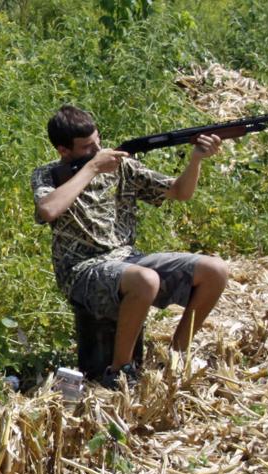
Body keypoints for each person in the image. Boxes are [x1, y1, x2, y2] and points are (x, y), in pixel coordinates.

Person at [30, 105, 230, 388]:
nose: (98, 149)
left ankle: (175, 358)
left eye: (98, 141)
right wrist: (92, 168)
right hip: (81, 269)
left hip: (127, 258)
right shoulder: (48, 174)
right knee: (145, 280)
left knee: (215, 270)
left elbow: (179, 192)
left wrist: (196, 159)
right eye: (88, 147)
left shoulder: (121, 165)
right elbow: (48, 210)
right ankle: (120, 371)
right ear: (64, 151)